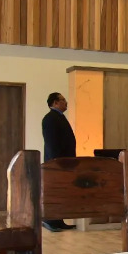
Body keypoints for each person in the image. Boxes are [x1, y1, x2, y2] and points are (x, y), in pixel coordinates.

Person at [41, 92, 76, 231]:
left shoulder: (59, 117)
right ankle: (50, 220)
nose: (66, 102)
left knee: (61, 192)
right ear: (55, 102)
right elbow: (52, 143)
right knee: (54, 192)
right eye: (63, 100)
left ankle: (58, 219)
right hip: (56, 163)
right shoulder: (50, 118)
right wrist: (56, 162)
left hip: (64, 162)